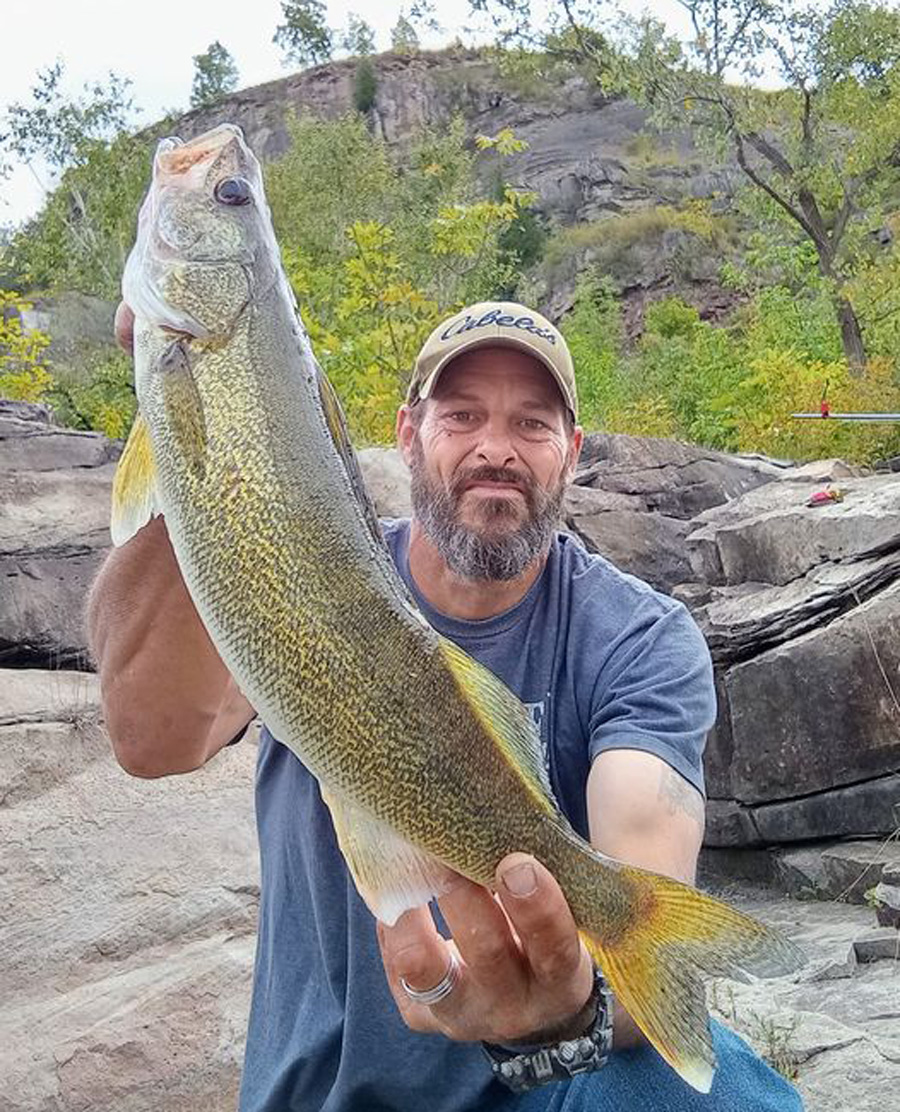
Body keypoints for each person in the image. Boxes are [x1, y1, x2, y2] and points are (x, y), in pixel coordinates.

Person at [88, 300, 804, 1112]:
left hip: (548, 1096)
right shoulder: (296, 574)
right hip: (320, 1092)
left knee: (710, 1098)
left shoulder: (639, 635)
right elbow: (151, 740)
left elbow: (643, 865)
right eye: (461, 415)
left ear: (570, 453)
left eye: (531, 424)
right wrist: (195, 416)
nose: (494, 449)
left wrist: (571, 1007)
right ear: (407, 433)